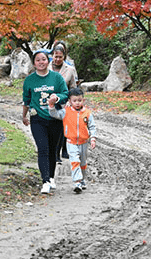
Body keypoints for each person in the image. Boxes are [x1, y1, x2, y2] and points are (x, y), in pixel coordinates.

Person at [22, 50, 69, 194]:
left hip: (54, 118)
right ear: (34, 63)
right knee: (42, 148)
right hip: (37, 119)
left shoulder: (57, 78)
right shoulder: (29, 80)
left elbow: (66, 94)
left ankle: (51, 176)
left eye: (43, 59)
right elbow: (26, 100)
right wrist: (24, 115)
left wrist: (57, 97)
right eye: (38, 60)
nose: (41, 62)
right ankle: (45, 181)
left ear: (48, 61)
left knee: (52, 149)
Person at [48, 87, 97, 193]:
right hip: (71, 142)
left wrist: (93, 138)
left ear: (83, 100)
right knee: (75, 162)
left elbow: (92, 127)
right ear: (70, 101)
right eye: (74, 101)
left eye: (79, 100)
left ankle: (82, 179)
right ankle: (77, 183)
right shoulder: (66, 112)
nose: (77, 103)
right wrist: (51, 106)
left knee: (83, 163)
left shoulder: (87, 113)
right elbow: (55, 114)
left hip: (84, 142)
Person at [50, 42, 78, 164]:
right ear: (52, 56)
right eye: (55, 56)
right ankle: (51, 152)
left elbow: (73, 87)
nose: (57, 59)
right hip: (48, 102)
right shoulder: (45, 68)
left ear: (64, 57)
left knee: (61, 129)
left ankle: (59, 152)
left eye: (60, 57)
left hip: (63, 102)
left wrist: (72, 102)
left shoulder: (70, 70)